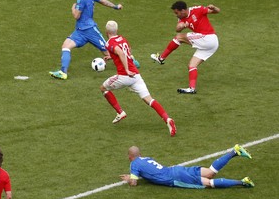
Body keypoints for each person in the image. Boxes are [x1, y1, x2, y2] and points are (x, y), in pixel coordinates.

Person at [100, 21, 176, 137]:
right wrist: (112, 56)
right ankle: (167, 119)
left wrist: (125, 69)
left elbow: (120, 52)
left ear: (106, 32)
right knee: (149, 99)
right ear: (117, 30)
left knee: (103, 88)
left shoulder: (109, 43)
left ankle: (120, 112)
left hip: (125, 76)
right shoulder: (123, 39)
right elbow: (127, 51)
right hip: (136, 75)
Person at [49, 0, 126, 80]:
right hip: (80, 31)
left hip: (91, 30)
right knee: (66, 46)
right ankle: (63, 72)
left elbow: (77, 16)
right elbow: (103, 1)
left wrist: (73, 8)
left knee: (109, 52)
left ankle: (131, 62)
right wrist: (115, 6)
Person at [150, 1, 220, 94]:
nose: (176, 15)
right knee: (192, 65)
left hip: (208, 38)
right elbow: (177, 28)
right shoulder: (181, 18)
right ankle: (192, 88)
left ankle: (161, 58)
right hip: (210, 45)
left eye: (176, 13)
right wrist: (182, 26)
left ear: (183, 10)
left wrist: (214, 7)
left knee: (179, 37)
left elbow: (217, 11)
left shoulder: (197, 9)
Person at [120, 144, 255, 189]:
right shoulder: (146, 158)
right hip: (176, 169)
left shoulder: (134, 164)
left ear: (129, 156)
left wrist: (129, 179)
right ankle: (234, 151)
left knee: (208, 183)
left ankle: (242, 182)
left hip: (175, 177)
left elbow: (134, 183)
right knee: (210, 172)